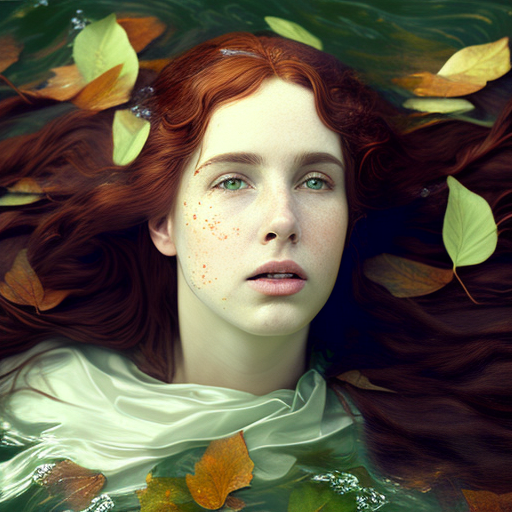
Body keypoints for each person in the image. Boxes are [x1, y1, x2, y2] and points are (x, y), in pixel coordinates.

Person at [0, 29, 511, 510]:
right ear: (164, 225)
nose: (282, 221)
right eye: (231, 181)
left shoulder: (400, 450)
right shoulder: (39, 399)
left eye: (315, 182)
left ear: (350, 220)